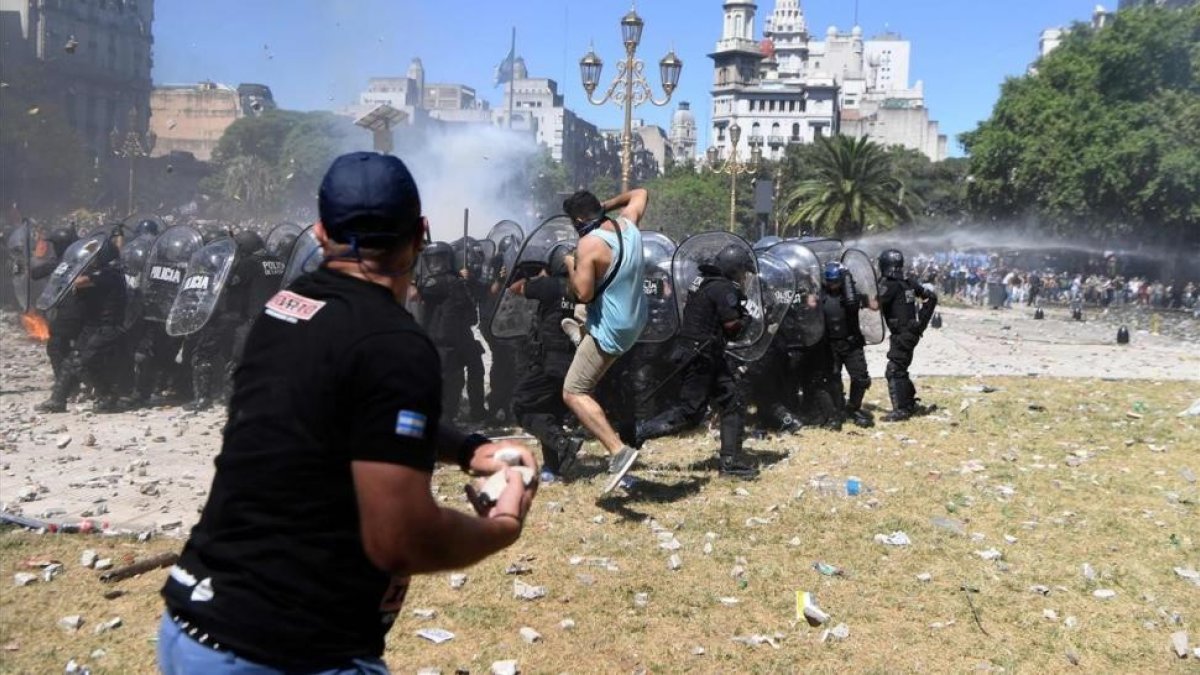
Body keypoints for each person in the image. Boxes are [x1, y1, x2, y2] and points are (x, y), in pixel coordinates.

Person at [158, 152, 538, 674]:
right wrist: (503, 524)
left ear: (320, 234)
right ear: (421, 234)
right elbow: (401, 538)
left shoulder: (285, 309)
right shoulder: (395, 344)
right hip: (286, 651)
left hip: (193, 625)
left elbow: (353, 411)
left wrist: (469, 448)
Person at [635, 245, 758, 478]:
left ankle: (730, 463)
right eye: (742, 273)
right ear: (733, 270)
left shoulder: (703, 281)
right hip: (701, 356)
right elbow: (732, 328)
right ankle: (638, 432)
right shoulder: (724, 289)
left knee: (732, 400)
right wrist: (748, 320)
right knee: (690, 413)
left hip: (703, 352)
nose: (744, 278)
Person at [560, 188, 649, 494]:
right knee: (585, 315)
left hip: (612, 330)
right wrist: (606, 205)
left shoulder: (589, 244)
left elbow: (582, 292)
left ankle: (618, 451)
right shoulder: (629, 224)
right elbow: (640, 192)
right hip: (636, 319)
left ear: (580, 219)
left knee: (573, 391)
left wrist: (570, 264)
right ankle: (581, 334)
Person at [508, 244, 584, 483]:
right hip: (573, 362)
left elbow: (515, 288)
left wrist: (539, 278)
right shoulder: (583, 288)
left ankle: (562, 444)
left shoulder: (551, 285)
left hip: (548, 362)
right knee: (548, 411)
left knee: (522, 405)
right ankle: (553, 467)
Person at [37, 231, 126, 413]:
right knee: (72, 361)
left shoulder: (110, 274)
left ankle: (108, 396)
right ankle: (57, 400)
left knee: (83, 361)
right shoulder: (101, 272)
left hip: (106, 328)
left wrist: (72, 268)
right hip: (92, 326)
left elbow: (78, 282)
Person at [418, 240, 487, 424]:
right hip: (443, 342)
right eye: (432, 261)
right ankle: (446, 419)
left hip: (462, 337)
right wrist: (457, 279)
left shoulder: (459, 281)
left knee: (476, 368)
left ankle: (478, 411)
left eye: (440, 260)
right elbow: (427, 288)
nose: (436, 265)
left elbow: (474, 307)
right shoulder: (436, 283)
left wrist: (466, 279)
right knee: (451, 382)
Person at [877, 249, 937, 422]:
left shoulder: (890, 284)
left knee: (894, 370)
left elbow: (874, 304)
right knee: (900, 368)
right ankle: (909, 403)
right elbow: (930, 297)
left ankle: (902, 409)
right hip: (911, 332)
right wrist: (921, 324)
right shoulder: (908, 282)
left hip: (902, 334)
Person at [820, 262, 874, 428]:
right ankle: (837, 411)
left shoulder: (851, 296)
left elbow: (871, 304)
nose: (833, 286)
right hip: (830, 345)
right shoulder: (821, 296)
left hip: (851, 343)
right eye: (830, 282)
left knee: (860, 378)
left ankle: (853, 407)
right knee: (833, 379)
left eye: (836, 282)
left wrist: (849, 281)